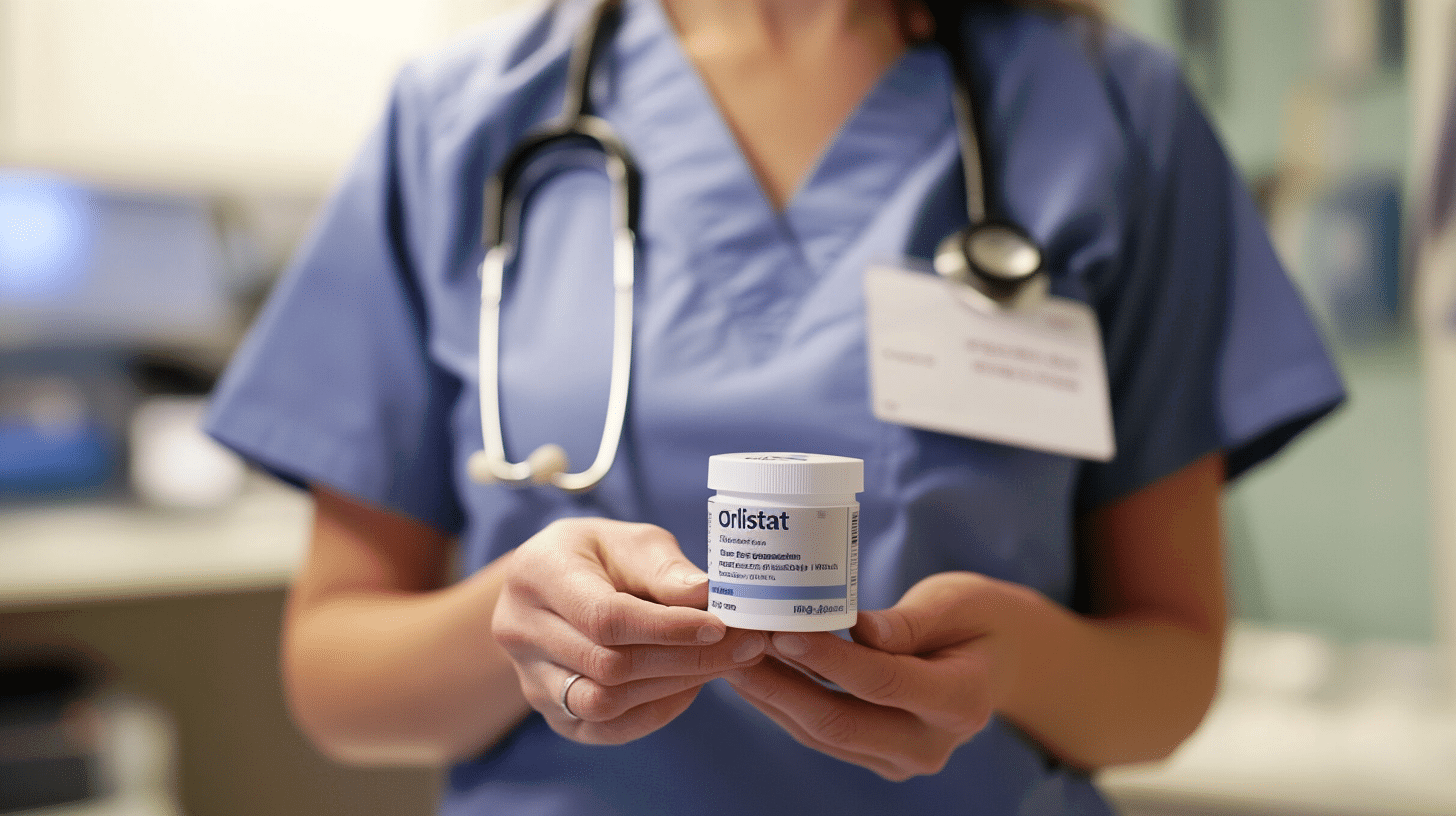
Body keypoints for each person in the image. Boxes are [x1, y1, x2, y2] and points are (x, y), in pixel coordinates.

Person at [204, 0, 1345, 813]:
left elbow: (1169, 677)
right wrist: (518, 621)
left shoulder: (1113, 115)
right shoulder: (459, 121)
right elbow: (335, 681)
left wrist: (1010, 668)